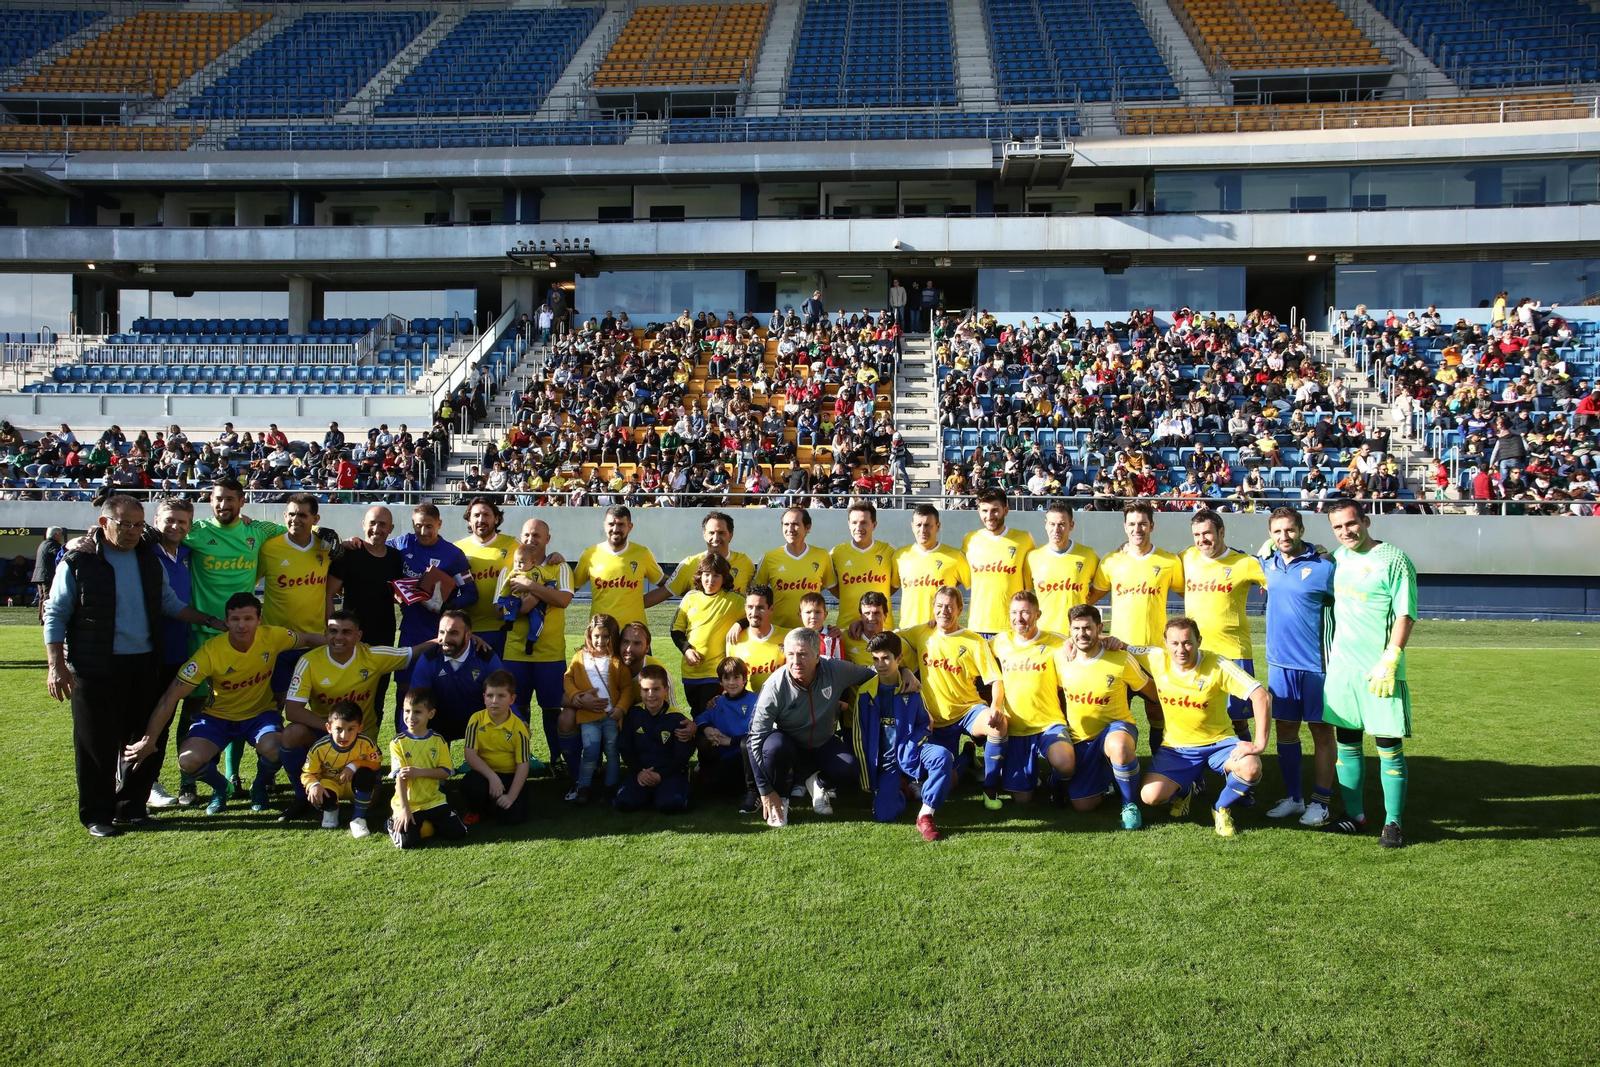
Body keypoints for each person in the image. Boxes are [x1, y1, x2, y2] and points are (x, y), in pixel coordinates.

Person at [42, 495, 220, 837]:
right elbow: (57, 612)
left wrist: (210, 619)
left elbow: (170, 603)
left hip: (144, 665)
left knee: (144, 739)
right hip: (94, 667)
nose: (134, 532)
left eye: (139, 525)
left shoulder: (147, 558)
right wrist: (55, 665)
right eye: (125, 525)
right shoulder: (79, 559)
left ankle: (132, 807)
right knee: (96, 743)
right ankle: (97, 815)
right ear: (104, 523)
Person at [124, 592, 326, 816]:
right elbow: (170, 696)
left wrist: (342, 642)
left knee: (277, 749)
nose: (242, 625)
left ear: (260, 620)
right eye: (235, 619)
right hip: (217, 717)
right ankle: (223, 788)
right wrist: (149, 740)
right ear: (226, 621)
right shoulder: (211, 651)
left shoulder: (273, 636)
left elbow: (307, 639)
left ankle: (258, 788)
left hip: (260, 714)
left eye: (248, 618)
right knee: (188, 761)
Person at [277, 610, 439, 822]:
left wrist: (453, 636)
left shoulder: (372, 656)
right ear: (325, 634)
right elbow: (292, 711)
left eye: (346, 632)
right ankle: (301, 797)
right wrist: (332, 729)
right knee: (291, 733)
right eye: (333, 631)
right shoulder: (308, 661)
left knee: (371, 801)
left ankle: (347, 788)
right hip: (324, 736)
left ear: (358, 636)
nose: (339, 637)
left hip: (362, 742)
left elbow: (413, 652)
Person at [1323, 499, 1418, 848]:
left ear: (1366, 520)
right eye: (1338, 527)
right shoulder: (1337, 558)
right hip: (1343, 670)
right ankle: (1354, 815)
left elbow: (1405, 614)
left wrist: (1391, 658)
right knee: (1347, 744)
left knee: (1388, 747)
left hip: (1380, 672)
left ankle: (1393, 823)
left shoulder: (1393, 559)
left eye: (1351, 524)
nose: (1346, 532)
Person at [1134, 617, 1270, 838]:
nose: (1181, 649)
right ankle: (1184, 789)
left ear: (1199, 641)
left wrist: (1259, 743)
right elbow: (1117, 644)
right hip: (1177, 748)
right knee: (1150, 796)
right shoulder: (1155, 657)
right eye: (1175, 643)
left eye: (1187, 642)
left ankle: (1221, 808)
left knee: (1251, 767)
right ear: (1165, 643)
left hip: (1219, 743)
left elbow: (1261, 695)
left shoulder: (1217, 664)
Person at [895, 586, 1005, 827]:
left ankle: (989, 787)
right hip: (935, 720)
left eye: (949, 607)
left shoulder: (974, 641)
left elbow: (995, 680)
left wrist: (996, 705)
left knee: (998, 726)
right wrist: (904, 669)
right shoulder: (922, 632)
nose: (943, 611)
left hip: (967, 710)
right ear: (933, 608)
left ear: (960, 609)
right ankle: (967, 756)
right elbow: (894, 637)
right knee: (951, 782)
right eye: (939, 606)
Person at [1258, 507, 1339, 827]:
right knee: (1286, 730)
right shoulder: (1266, 564)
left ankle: (1321, 802)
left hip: (1317, 664)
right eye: (1277, 532)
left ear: (1301, 529)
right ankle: (1294, 798)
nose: (1283, 537)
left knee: (1321, 731)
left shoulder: (1325, 566)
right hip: (1280, 665)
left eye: (1289, 530)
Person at [748, 629, 878, 828]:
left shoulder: (835, 670)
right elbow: (754, 741)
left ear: (817, 656)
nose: (795, 661)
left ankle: (818, 783)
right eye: (790, 654)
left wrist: (903, 673)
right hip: (788, 744)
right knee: (773, 748)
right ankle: (781, 798)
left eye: (802, 654)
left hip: (823, 741)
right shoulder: (774, 685)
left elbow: (871, 673)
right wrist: (765, 790)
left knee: (849, 768)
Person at [1089, 500, 1184, 752]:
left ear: (1152, 525)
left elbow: (1193, 594)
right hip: (1120, 654)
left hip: (1156, 654)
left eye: (1142, 523)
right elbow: (1088, 599)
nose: (1137, 528)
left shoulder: (1169, 561)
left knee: (1159, 716)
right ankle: (1112, 773)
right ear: (1124, 527)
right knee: (1116, 719)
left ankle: (1164, 769)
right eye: (1131, 524)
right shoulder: (1111, 562)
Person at [1055, 604, 1159, 829]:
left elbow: (1152, 692)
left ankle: (1129, 804)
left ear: (1099, 628)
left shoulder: (1120, 658)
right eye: (1076, 628)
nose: (1082, 633)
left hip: (1117, 728)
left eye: (1088, 628)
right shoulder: (1061, 658)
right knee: (1083, 805)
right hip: (1081, 738)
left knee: (1119, 747)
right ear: (1070, 631)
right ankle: (1109, 776)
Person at [1181, 508, 1267, 742]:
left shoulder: (1245, 563)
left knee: (1237, 718)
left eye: (1207, 533)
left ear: (1221, 532)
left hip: (1234, 653)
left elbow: (1282, 578)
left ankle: (1248, 766)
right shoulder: (1187, 557)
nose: (1202, 540)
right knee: (1197, 713)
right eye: (1196, 535)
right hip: (1196, 653)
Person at [387, 503, 478, 723]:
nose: (424, 532)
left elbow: (471, 593)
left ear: (439, 524)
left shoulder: (453, 555)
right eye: (419, 526)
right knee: (406, 693)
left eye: (429, 526)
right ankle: (403, 742)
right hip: (410, 631)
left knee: (439, 693)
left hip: (442, 635)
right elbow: (376, 556)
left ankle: (436, 745)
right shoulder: (401, 544)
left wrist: (445, 606)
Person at [498, 518, 575, 776]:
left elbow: (563, 600)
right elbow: (499, 610)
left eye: (537, 535)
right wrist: (521, 609)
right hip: (515, 653)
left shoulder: (559, 566)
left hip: (550, 653)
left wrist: (531, 586)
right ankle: (520, 760)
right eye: (527, 535)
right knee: (516, 709)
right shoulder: (508, 569)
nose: (532, 539)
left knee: (553, 708)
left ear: (547, 539)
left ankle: (558, 758)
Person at [986, 592, 1075, 809]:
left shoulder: (1056, 642)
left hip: (1048, 724)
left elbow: (1086, 641)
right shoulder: (999, 642)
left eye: (1025, 612)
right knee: (1022, 799)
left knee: (1066, 764)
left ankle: (1055, 783)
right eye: (1014, 613)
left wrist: (1108, 640)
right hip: (1016, 728)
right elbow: (970, 646)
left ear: (1038, 614)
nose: (1020, 618)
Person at [326, 506, 406, 726]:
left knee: (377, 699)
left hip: (384, 637)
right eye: (372, 523)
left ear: (390, 529)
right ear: (363, 525)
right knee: (345, 697)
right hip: (351, 639)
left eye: (382, 524)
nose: (376, 529)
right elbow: (329, 594)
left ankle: (368, 751)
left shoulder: (395, 558)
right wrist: (332, 630)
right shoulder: (349, 554)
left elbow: (396, 594)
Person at [850, 631, 934, 835]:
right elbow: (858, 737)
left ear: (899, 658)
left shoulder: (912, 688)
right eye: (876, 659)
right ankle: (903, 791)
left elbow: (926, 724)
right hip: (887, 764)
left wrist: (912, 746)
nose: (880, 665)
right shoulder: (865, 693)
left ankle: (964, 758)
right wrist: (866, 778)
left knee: (951, 779)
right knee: (884, 815)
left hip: (911, 754)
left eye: (886, 658)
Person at [259, 493, 337, 703]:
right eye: (292, 514)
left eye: (302, 515)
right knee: (273, 705)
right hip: (278, 644)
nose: (295, 520)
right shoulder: (269, 548)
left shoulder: (326, 547)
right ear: (284, 515)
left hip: (317, 642)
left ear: (315, 519)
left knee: (321, 704)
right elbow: (246, 584)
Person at [561, 614, 630, 803]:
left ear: (613, 637)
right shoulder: (579, 657)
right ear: (589, 635)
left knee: (612, 751)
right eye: (596, 636)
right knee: (590, 751)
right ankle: (583, 787)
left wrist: (621, 709)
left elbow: (626, 689)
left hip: (611, 716)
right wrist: (576, 696)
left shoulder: (617, 661)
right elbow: (568, 678)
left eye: (606, 637)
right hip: (588, 716)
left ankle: (610, 786)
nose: (600, 641)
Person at [405, 610, 505, 742]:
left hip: (480, 723)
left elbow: (503, 696)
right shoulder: (428, 659)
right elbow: (415, 702)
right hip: (438, 721)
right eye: (441, 632)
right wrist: (409, 737)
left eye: (453, 633)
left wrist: (517, 723)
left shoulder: (487, 658)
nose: (445, 639)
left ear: (468, 635)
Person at [387, 688, 468, 849]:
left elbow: (445, 772)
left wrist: (419, 772)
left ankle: (429, 824)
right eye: (407, 711)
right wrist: (404, 809)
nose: (410, 717)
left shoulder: (438, 741)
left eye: (417, 712)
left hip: (433, 801)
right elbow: (400, 778)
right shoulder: (398, 742)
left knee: (459, 833)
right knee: (407, 843)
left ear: (430, 714)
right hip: (410, 804)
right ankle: (392, 821)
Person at [670, 554, 747, 714]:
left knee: (713, 714)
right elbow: (676, 630)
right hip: (691, 672)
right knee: (696, 713)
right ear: (700, 575)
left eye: (716, 576)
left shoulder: (735, 600)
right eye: (706, 574)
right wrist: (687, 650)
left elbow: (754, 615)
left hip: (716, 672)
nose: (710, 580)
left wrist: (739, 624)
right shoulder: (690, 598)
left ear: (724, 578)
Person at [614, 665, 694, 814]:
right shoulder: (633, 714)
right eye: (645, 690)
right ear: (640, 690)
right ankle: (646, 792)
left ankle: (665, 792)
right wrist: (639, 772)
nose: (650, 694)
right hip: (640, 772)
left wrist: (661, 775)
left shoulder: (678, 719)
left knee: (670, 806)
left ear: (666, 690)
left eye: (656, 689)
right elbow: (625, 748)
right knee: (624, 803)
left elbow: (682, 756)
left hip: (669, 773)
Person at [573, 504, 664, 632]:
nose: (615, 529)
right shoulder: (589, 555)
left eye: (621, 524)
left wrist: (686, 581)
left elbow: (665, 583)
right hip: (601, 635)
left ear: (630, 527)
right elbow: (569, 590)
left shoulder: (643, 554)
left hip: (634, 634)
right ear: (604, 525)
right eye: (611, 524)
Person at [299, 700, 381, 838]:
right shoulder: (319, 748)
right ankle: (331, 808)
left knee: (366, 774)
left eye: (351, 729)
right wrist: (313, 785)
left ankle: (358, 818)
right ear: (329, 728)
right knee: (320, 794)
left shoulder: (366, 743)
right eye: (339, 729)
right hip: (330, 784)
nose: (344, 736)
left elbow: (376, 764)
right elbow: (307, 773)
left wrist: (354, 765)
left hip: (352, 785)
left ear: (360, 728)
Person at [462, 670, 531, 826]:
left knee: (514, 818)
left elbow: (523, 765)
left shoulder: (519, 728)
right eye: (490, 696)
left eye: (501, 696)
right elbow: (470, 756)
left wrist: (511, 796)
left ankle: (499, 802)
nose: (494, 701)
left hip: (509, 775)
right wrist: (492, 777)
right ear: (484, 698)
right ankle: (478, 809)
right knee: (470, 783)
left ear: (512, 699)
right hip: (485, 774)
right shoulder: (476, 720)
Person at [964, 488, 1035, 638]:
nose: (989, 516)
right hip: (978, 625)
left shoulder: (1024, 539)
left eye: (995, 510)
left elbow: (1028, 587)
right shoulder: (969, 540)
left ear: (1006, 510)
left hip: (1012, 627)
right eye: (984, 511)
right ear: (978, 511)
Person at [454, 497, 519, 658]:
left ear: (496, 519)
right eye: (476, 515)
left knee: (502, 681)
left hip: (505, 629)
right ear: (469, 520)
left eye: (486, 515)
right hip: (469, 630)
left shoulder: (514, 545)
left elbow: (536, 563)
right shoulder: (457, 549)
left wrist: (554, 556)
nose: (481, 520)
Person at [694, 656, 759, 812]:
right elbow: (699, 719)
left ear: (745, 679)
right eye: (727, 678)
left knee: (746, 745)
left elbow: (759, 734)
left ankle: (753, 792)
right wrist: (707, 728)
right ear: (720, 682)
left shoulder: (756, 700)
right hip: (727, 758)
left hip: (751, 758)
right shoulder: (718, 703)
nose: (731, 682)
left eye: (736, 677)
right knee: (709, 786)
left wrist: (730, 741)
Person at [754, 507, 836, 630]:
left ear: (808, 527)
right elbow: (755, 596)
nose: (790, 529)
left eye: (795, 524)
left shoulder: (822, 556)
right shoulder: (769, 558)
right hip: (778, 631)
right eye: (786, 524)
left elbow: (836, 590)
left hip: (810, 632)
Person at [651, 510, 754, 607]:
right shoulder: (689, 564)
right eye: (711, 533)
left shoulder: (745, 563)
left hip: (736, 626)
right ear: (704, 535)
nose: (716, 538)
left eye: (721, 533)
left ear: (730, 536)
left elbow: (757, 597)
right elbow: (664, 592)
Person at [892, 503, 971, 628]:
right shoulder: (900, 556)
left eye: (928, 525)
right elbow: (892, 586)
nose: (923, 530)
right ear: (912, 526)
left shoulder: (955, 557)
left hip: (939, 632)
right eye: (918, 525)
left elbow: (974, 587)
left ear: (938, 526)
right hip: (908, 632)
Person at [1026, 502, 1099, 636]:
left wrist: (1084, 601)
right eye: (1052, 524)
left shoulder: (1088, 555)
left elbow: (1102, 585)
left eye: (1062, 524)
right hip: (1043, 635)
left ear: (1071, 525)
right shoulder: (1032, 557)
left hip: (1077, 636)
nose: (1056, 529)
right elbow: (1025, 594)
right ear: (1046, 525)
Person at [830, 501, 898, 630]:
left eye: (864, 523)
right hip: (847, 628)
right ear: (849, 524)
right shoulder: (836, 553)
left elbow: (893, 587)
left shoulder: (889, 551)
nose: (858, 528)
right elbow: (833, 587)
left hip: (882, 628)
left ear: (874, 525)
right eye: (854, 523)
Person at [725, 584, 788, 688]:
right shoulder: (734, 640)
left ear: (771, 609)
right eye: (750, 607)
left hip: (780, 702)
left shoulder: (788, 637)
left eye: (760, 608)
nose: (754, 613)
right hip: (748, 703)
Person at [32, 525, 64, 624]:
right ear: (56, 535)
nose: (61, 537)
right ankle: (47, 618)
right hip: (47, 574)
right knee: (47, 597)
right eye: (60, 534)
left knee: (42, 598)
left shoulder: (43, 543)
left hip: (39, 574)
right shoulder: (53, 544)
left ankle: (42, 618)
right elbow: (61, 555)